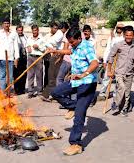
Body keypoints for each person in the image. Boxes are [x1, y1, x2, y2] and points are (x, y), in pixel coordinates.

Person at [50, 28, 99, 156]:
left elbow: (95, 63)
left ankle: (76, 144)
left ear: (79, 38)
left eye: (72, 42)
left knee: (79, 116)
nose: (71, 44)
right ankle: (73, 106)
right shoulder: (75, 46)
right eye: (69, 42)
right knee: (55, 92)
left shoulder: (87, 47)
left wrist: (84, 74)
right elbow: (69, 51)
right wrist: (56, 51)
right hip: (76, 81)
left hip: (87, 83)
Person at [107, 26, 134, 116]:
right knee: (122, 87)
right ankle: (116, 103)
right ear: (124, 35)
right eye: (127, 35)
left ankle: (124, 109)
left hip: (129, 73)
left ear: (133, 35)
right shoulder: (118, 45)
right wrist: (109, 71)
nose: (128, 37)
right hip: (119, 72)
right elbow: (111, 57)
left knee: (127, 93)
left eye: (130, 35)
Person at [97, 23, 125, 101]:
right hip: (111, 58)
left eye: (121, 28)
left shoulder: (124, 37)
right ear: (116, 28)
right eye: (118, 27)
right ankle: (102, 93)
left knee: (118, 78)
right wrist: (105, 60)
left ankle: (116, 94)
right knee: (107, 76)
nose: (119, 29)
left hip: (121, 60)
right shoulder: (112, 37)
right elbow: (108, 49)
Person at [0, 18, 19, 91]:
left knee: (10, 76)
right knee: (2, 76)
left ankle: (8, 91)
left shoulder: (14, 34)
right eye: (5, 23)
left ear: (9, 24)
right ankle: (3, 91)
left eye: (8, 23)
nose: (6, 25)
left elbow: (16, 46)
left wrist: (16, 58)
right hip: (2, 58)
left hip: (10, 58)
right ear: (2, 25)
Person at [41, 22, 65, 100]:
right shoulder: (60, 33)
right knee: (53, 77)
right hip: (56, 55)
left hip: (57, 55)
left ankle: (48, 94)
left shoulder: (59, 33)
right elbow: (49, 43)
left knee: (54, 77)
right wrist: (53, 50)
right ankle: (47, 95)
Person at [26, 25, 46, 98]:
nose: (35, 32)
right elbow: (27, 45)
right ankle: (30, 91)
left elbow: (44, 49)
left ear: (38, 30)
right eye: (33, 30)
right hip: (30, 57)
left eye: (36, 30)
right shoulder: (29, 38)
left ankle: (39, 91)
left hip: (38, 58)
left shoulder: (42, 39)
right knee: (30, 75)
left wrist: (38, 47)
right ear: (32, 31)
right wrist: (28, 48)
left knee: (39, 75)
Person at [14, 25, 28, 95]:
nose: (20, 31)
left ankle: (22, 89)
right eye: (18, 30)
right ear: (16, 30)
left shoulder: (25, 37)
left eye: (21, 30)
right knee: (16, 74)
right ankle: (17, 90)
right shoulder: (14, 37)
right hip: (16, 57)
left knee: (24, 74)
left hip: (24, 57)